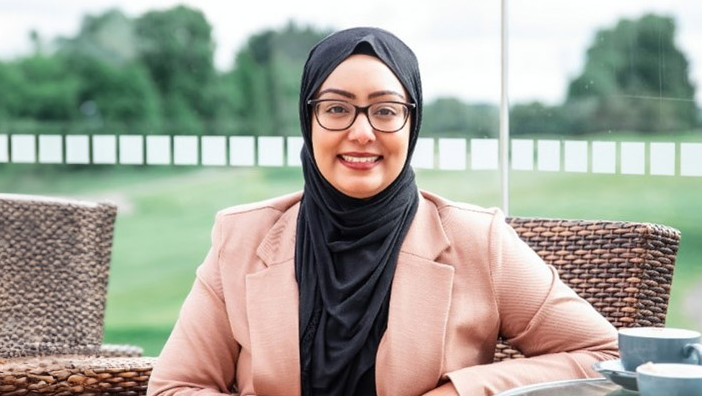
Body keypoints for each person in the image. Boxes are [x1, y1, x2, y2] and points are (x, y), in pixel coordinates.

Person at [147, 27, 619, 396]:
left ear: (412, 123)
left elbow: (605, 355)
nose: (361, 132)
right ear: (308, 120)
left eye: (385, 110)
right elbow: (175, 385)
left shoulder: (478, 240)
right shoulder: (241, 237)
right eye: (337, 109)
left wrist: (461, 391)